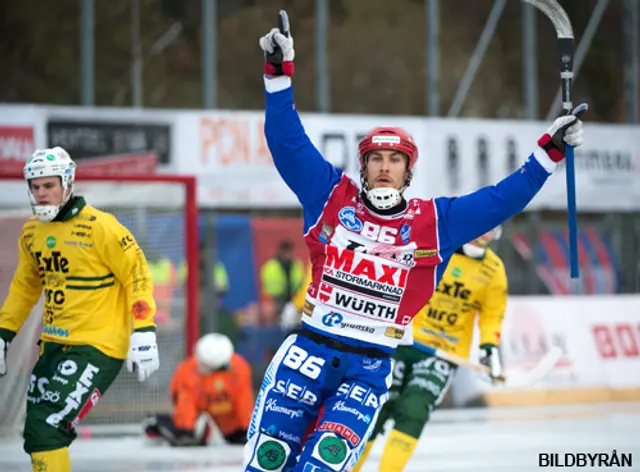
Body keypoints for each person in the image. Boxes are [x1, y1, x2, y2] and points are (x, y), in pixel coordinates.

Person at [243, 16, 585, 472]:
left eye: (396, 160)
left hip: (368, 371)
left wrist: (548, 154)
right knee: (268, 466)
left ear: (409, 170)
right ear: (363, 167)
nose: (385, 167)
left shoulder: (434, 221)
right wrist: (278, 76)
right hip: (307, 354)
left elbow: (501, 200)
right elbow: (287, 143)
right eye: (376, 158)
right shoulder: (330, 195)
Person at [0, 147, 159, 472]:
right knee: (38, 431)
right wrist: (4, 332)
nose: (42, 194)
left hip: (96, 347)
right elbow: (24, 286)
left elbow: (138, 275)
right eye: (36, 187)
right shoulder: (31, 232)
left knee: (47, 425)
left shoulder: (102, 226)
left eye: (49, 185)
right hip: (53, 346)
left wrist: (145, 330)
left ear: (68, 183)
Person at [352, 226, 507, 472]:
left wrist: (489, 347)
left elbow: (492, 315)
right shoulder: (437, 250)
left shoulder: (494, 270)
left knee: (414, 410)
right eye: (482, 229)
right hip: (404, 341)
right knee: (377, 407)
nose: (485, 237)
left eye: (493, 232)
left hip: (445, 352)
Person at [143, 333, 254, 446]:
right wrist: (188, 430)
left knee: (240, 436)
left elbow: (244, 402)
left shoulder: (240, 371)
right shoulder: (186, 372)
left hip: (230, 424)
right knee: (187, 437)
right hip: (198, 417)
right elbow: (181, 403)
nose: (199, 364)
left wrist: (246, 429)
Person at [260, 240, 305, 313]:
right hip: (276, 299)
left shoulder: (296, 264)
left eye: (289, 252)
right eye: (286, 252)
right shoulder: (271, 266)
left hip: (294, 298)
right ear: (280, 251)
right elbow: (268, 286)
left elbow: (300, 281)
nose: (288, 254)